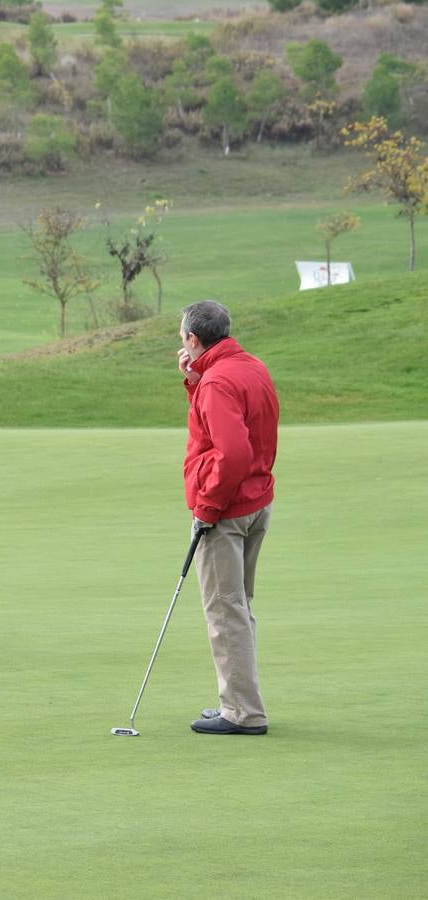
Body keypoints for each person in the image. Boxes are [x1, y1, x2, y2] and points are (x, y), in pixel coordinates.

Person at [177, 300, 279, 736]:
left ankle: (243, 712)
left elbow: (232, 452)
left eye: (183, 337)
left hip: (227, 510)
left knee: (225, 611)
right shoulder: (247, 366)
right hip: (256, 502)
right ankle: (238, 699)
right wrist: (195, 381)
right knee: (237, 607)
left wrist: (207, 507)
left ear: (195, 340)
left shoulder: (218, 382)